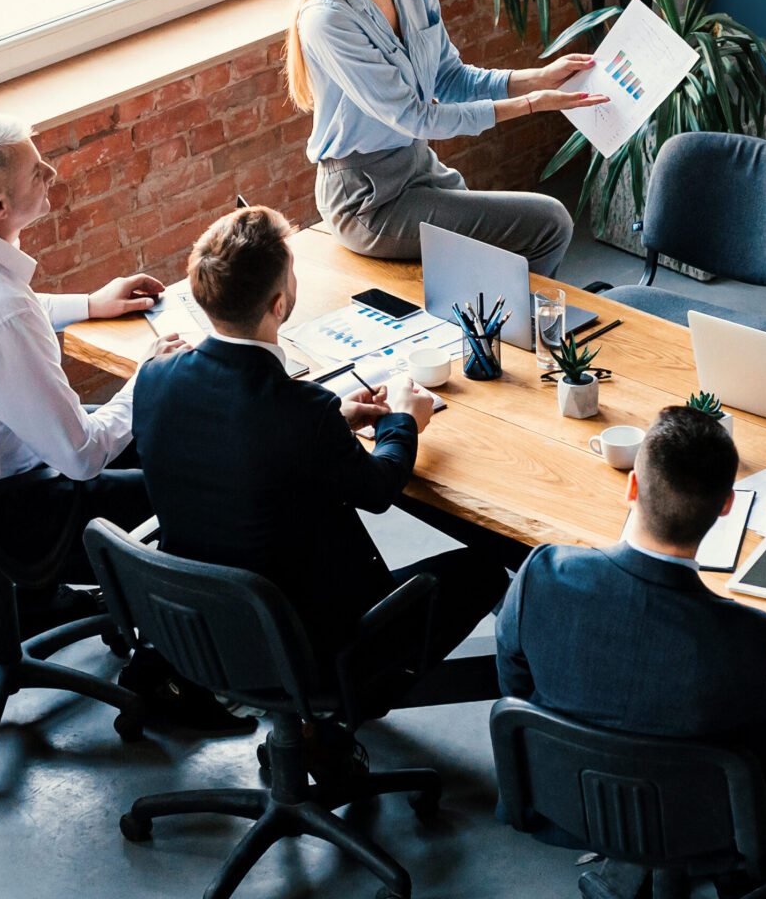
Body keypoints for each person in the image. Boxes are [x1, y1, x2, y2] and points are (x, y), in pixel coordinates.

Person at [131, 208, 516, 777]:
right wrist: (403, 421)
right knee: (484, 567)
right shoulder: (301, 412)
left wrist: (332, 421)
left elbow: (240, 436)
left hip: (200, 629)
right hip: (307, 646)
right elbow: (379, 488)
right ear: (279, 305)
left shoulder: (155, 378)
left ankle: (311, 732)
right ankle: (330, 716)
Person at [0, 113, 237, 728]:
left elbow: (6, 310)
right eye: (35, 170)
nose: (50, 171)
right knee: (201, 485)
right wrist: (146, 376)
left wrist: (90, 304)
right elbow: (81, 457)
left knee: (161, 428)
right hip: (0, 511)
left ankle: (39, 600)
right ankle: (168, 675)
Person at [494, 407, 766, 897]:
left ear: (633, 487)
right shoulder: (753, 639)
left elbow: (515, 685)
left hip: (566, 796)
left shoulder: (542, 573)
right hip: (712, 827)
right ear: (727, 506)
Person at [287, 0, 608, 275]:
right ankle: (521, 316)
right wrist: (530, 105)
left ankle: (505, 315)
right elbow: (414, 116)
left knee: (506, 246)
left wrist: (537, 78)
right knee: (549, 222)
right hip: (367, 198)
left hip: (419, 166)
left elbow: (448, 76)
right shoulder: (328, 19)